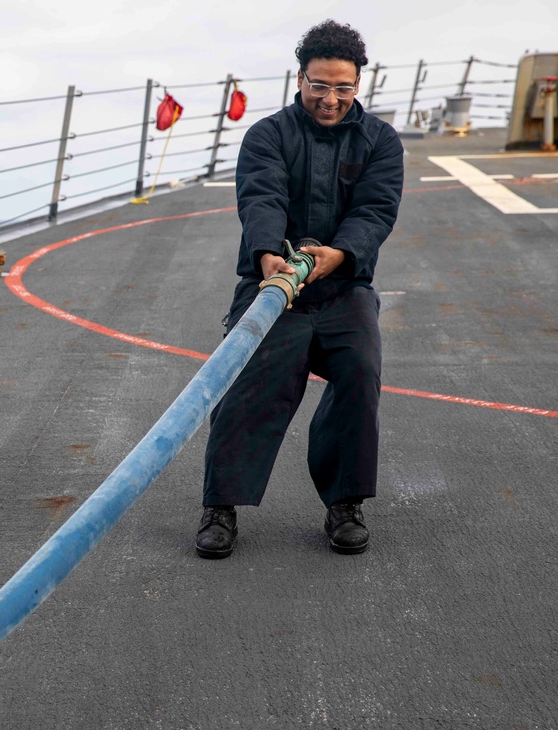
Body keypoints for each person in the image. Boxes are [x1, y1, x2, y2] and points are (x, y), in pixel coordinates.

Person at [196, 19, 404, 558]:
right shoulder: (267, 135)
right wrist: (269, 257)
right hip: (272, 286)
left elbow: (376, 210)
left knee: (359, 372)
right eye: (319, 85)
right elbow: (259, 197)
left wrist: (339, 255)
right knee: (247, 384)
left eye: (343, 87)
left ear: (359, 84)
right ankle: (220, 506)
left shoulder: (380, 141)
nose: (330, 98)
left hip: (344, 286)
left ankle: (345, 505)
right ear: (300, 79)